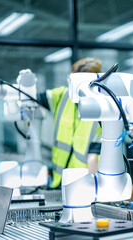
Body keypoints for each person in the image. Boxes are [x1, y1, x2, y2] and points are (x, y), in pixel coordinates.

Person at [37, 57, 102, 188]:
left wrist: (91, 189)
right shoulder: (61, 95)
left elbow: (93, 157)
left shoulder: (101, 108)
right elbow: (32, 97)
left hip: (81, 183)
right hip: (58, 182)